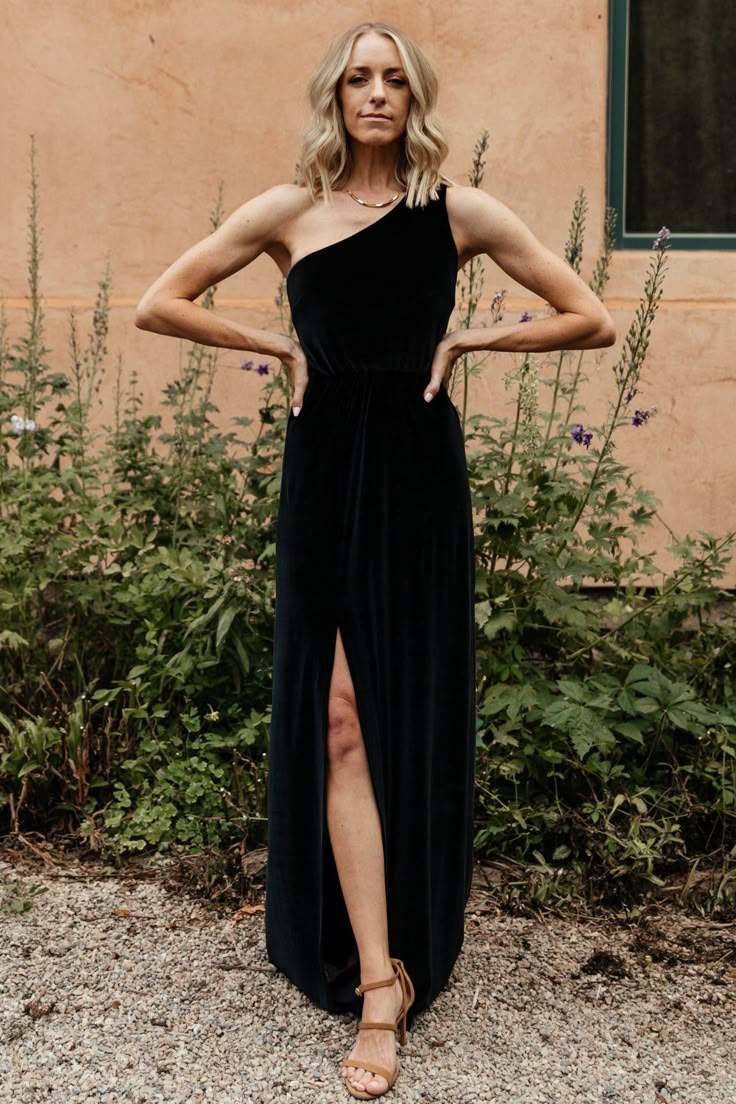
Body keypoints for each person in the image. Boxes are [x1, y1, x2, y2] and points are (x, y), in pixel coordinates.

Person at [135, 19, 615, 1100]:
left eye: (395, 78)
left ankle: (402, 934)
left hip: (416, 484)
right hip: (322, 482)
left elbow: (590, 317)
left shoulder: (457, 213)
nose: (376, 93)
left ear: (416, 97)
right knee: (340, 715)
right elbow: (157, 302)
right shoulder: (286, 212)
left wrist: (474, 339)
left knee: (405, 710)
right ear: (334, 94)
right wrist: (273, 343)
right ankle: (378, 991)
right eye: (359, 77)